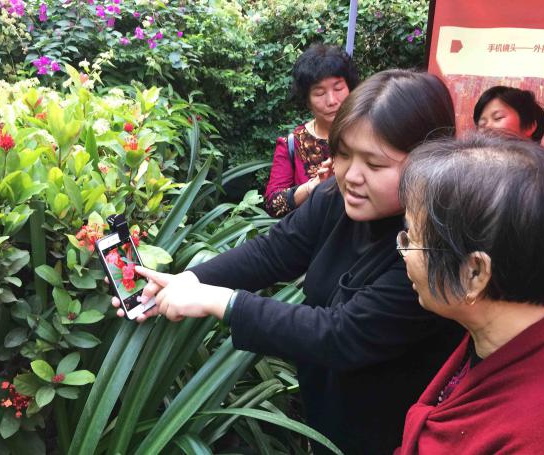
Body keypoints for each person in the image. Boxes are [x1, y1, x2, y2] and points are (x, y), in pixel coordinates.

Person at [112, 70, 464, 454]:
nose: (351, 175)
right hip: (327, 419)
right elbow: (274, 252)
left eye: (375, 165)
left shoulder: (428, 248)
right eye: (343, 153)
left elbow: (341, 334)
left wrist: (221, 302)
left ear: (428, 163)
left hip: (391, 436)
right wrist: (187, 280)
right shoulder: (336, 199)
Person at [395, 133, 544, 454]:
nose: (404, 252)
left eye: (412, 238)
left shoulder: (540, 437)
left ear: (474, 273)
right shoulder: (511, 330)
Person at [474, 85, 544, 316]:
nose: (487, 127)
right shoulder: (474, 175)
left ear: (530, 126)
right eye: (481, 123)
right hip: (489, 302)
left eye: (498, 118)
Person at [264, 43, 359, 218]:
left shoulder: (370, 131)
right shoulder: (292, 144)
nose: (332, 100)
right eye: (319, 93)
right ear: (307, 100)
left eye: (338, 88)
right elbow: (273, 204)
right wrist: (312, 186)